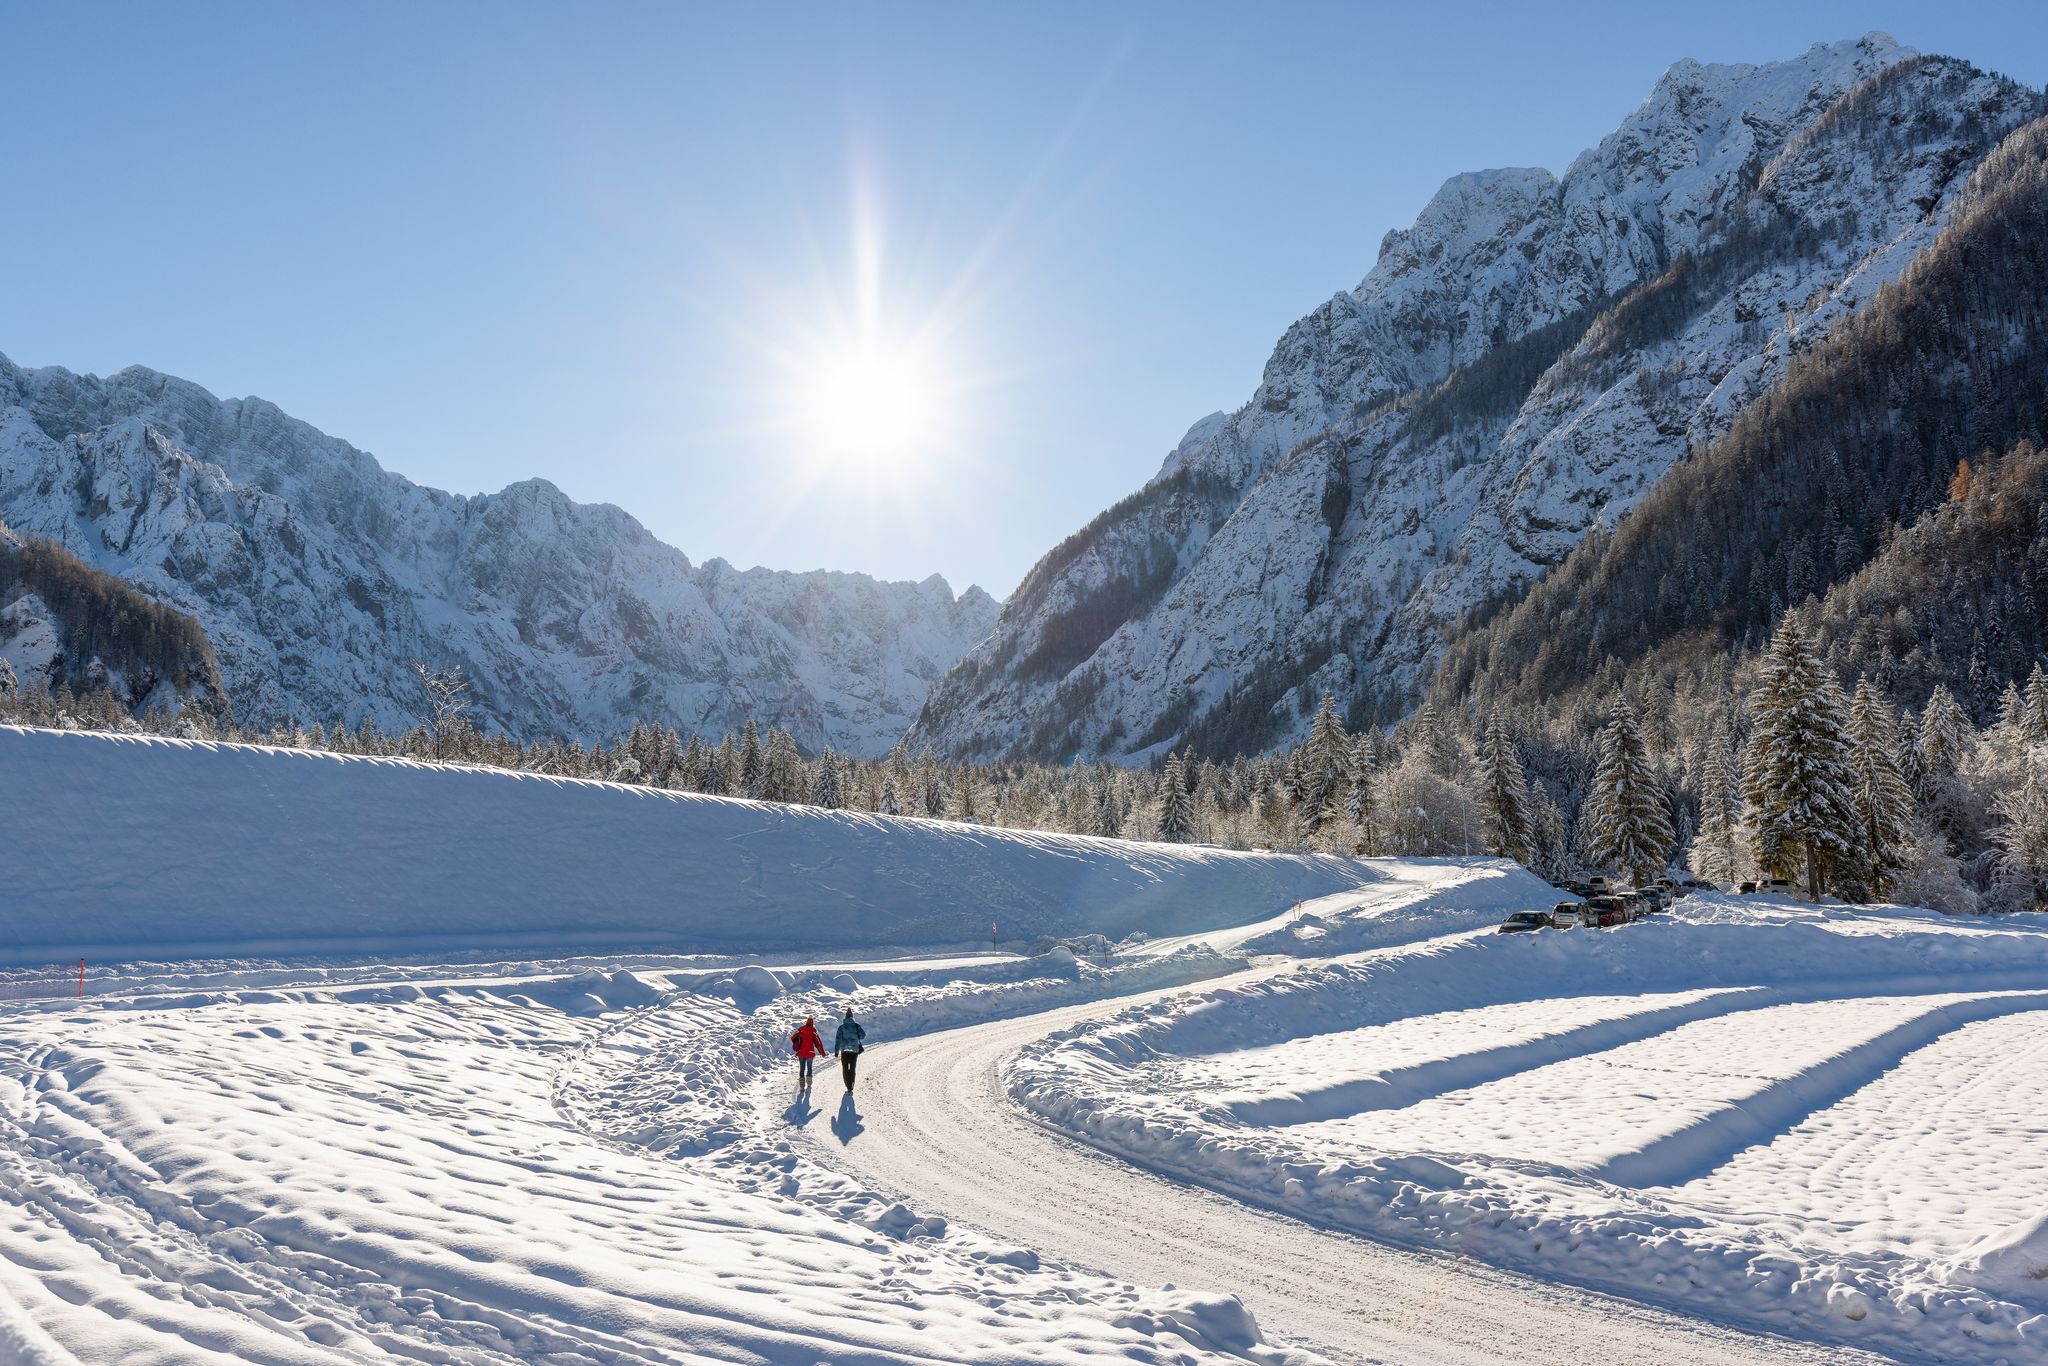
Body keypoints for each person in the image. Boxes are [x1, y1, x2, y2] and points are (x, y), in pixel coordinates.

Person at [833, 1007, 865, 1091]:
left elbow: (838, 1040)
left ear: (846, 1017)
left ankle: (847, 1085)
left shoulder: (841, 1027)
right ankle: (852, 1084)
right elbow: (863, 1036)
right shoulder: (857, 1026)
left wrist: (836, 1051)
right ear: (852, 1017)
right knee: (852, 1068)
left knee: (845, 1068)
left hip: (845, 1050)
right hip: (854, 1050)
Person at [791, 1015, 826, 1090]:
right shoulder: (813, 1031)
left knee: (802, 1069)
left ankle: (802, 1086)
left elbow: (793, 1037)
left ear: (806, 1022)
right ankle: (809, 1084)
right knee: (809, 1068)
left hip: (801, 1053)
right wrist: (822, 1053)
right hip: (810, 1053)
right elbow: (818, 1043)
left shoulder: (801, 1029)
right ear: (812, 1023)